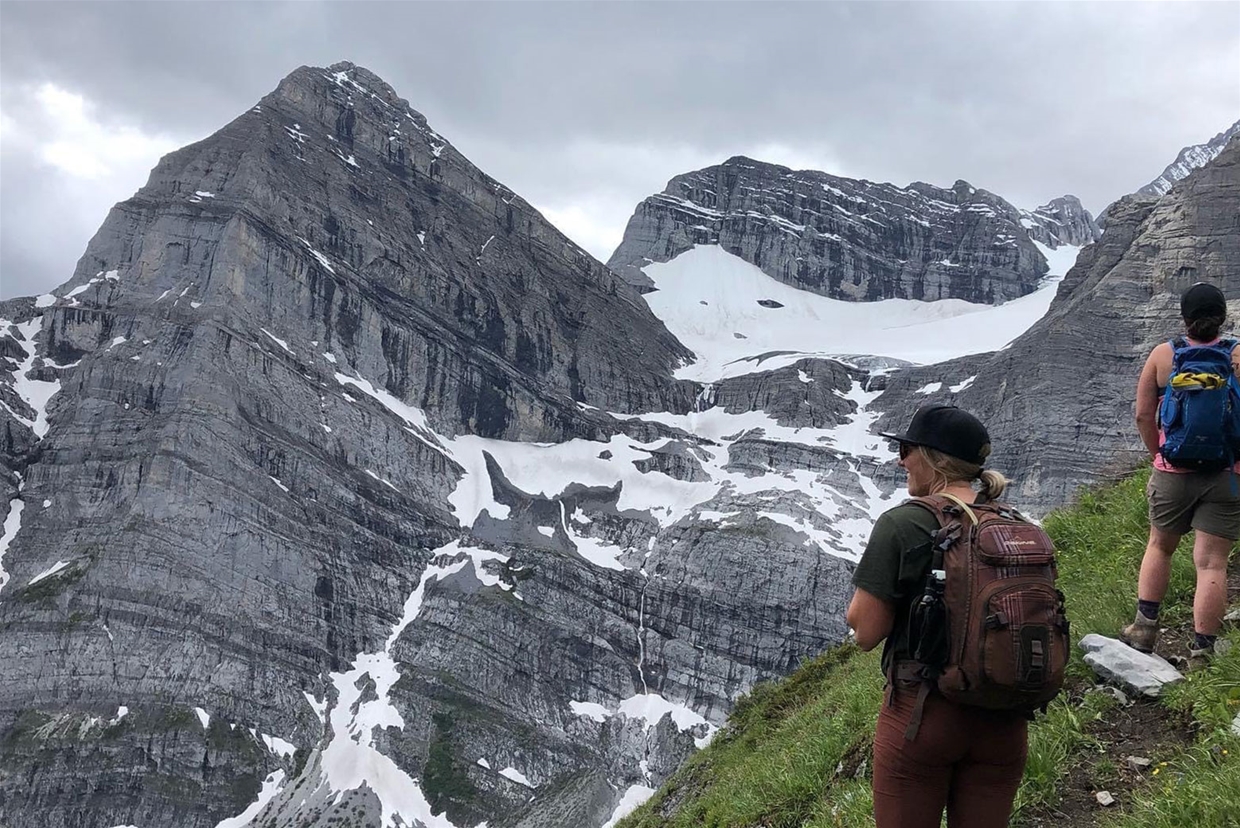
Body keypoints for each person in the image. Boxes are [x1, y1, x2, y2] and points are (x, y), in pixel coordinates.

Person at [846, 404, 1026, 828]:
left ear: (931, 456)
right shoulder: (1015, 524)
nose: (900, 459)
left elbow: (866, 630)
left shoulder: (904, 523)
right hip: (1004, 720)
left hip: (923, 716)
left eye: (906, 449)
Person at [1122, 282, 1238, 662]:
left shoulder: (1163, 355)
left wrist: (1159, 454)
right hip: (1226, 472)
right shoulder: (1237, 354)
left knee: (1160, 545)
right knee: (1212, 563)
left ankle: (1143, 629)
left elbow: (1142, 414)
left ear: (1184, 318)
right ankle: (1202, 652)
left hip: (1173, 470)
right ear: (1222, 317)